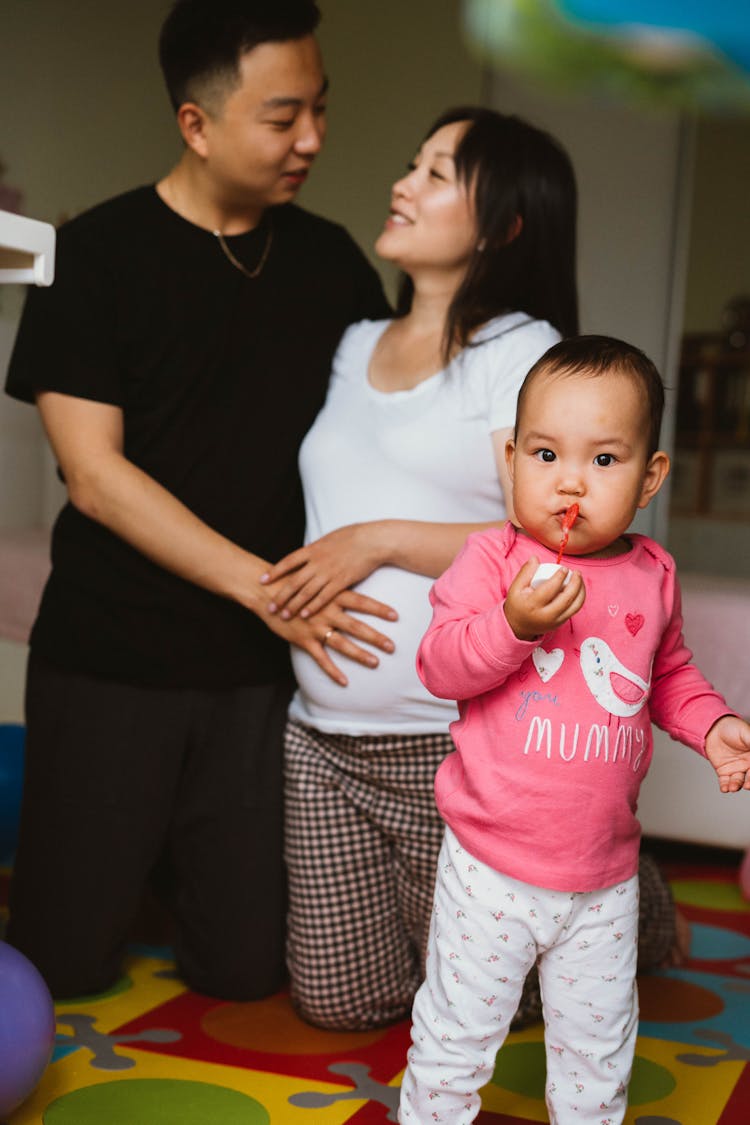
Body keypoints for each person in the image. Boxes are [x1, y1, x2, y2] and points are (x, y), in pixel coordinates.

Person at [3, 0, 393, 1002]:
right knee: (63, 967)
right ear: (196, 123)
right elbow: (94, 476)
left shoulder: (331, 260)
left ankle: (178, 865)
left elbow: (390, 427)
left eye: (319, 109)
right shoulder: (92, 256)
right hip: (112, 661)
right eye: (281, 116)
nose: (311, 138)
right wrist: (265, 588)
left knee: (246, 972)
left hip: (260, 679)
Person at [258, 106, 579, 1030]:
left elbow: (554, 531)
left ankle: (618, 896)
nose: (403, 183)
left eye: (438, 174)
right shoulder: (356, 344)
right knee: (339, 1002)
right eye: (413, 161)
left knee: (501, 1006)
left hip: (456, 741)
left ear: (504, 225)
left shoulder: (518, 349)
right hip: (320, 736)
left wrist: (382, 539)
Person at [399, 335, 750, 1124]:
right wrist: (513, 623)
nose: (568, 481)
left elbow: (669, 677)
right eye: (547, 453)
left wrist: (715, 722)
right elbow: (441, 665)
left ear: (650, 476)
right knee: (456, 1038)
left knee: (598, 1049)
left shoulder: (652, 573)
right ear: (512, 457)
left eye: (603, 461)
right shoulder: (491, 561)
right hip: (490, 867)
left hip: (603, 875)